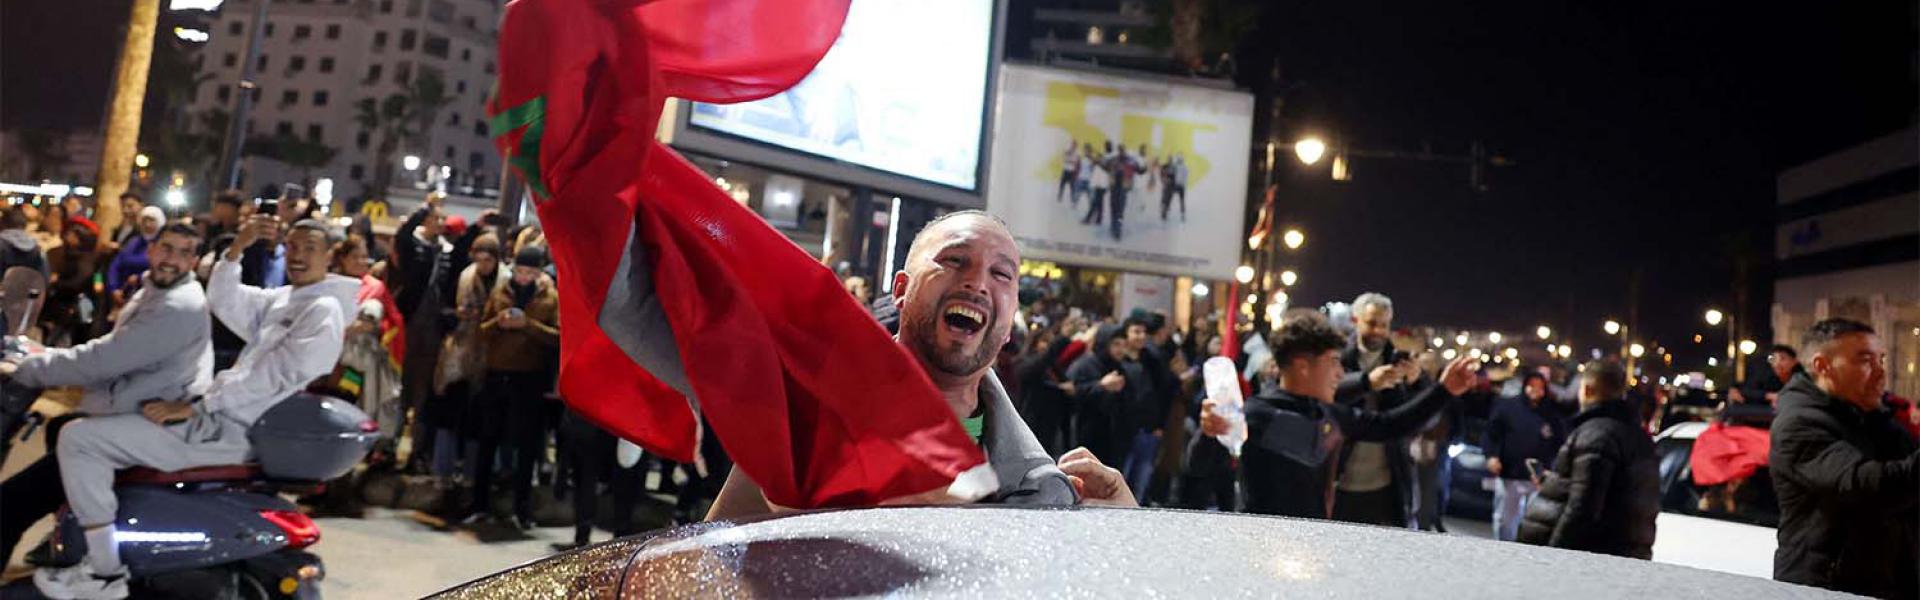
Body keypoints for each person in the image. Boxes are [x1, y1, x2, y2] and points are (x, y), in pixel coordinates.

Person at [705, 211, 1133, 518]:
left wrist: (1124, 529)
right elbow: (714, 565)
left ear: (1008, 325)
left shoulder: (1044, 494)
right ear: (900, 290)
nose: (977, 283)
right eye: (954, 260)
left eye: (1001, 274)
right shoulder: (810, 416)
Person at [29, 217, 356, 599]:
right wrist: (238, 248)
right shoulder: (289, 299)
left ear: (330, 256)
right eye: (293, 246)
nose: (298, 256)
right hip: (220, 417)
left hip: (230, 428)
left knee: (79, 439)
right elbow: (226, 300)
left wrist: (199, 406)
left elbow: (274, 375)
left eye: (310, 248)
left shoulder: (323, 309)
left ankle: (104, 571)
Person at [0, 223, 210, 572]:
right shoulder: (154, 290)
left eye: (183, 252)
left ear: (194, 261)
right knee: (61, 429)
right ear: (151, 249)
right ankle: (69, 545)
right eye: (166, 248)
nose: (171, 259)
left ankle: (99, 567)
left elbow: (104, 360)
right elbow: (111, 349)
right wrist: (39, 353)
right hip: (125, 410)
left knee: (10, 504)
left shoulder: (178, 306)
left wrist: (27, 368)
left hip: (134, 421)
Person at [1200, 310, 1478, 520]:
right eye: (1333, 362)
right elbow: (1198, 468)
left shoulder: (1329, 414)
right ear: (1302, 366)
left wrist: (1444, 390)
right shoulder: (1256, 414)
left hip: (1311, 550)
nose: (1340, 372)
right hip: (1257, 547)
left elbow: (1389, 425)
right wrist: (1209, 432)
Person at [1768, 319, 1916, 598]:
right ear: (1823, 366)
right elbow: (1870, 485)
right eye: (1865, 361)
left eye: (1882, 359)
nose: (1881, 372)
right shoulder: (1798, 425)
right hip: (1827, 588)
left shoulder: (1876, 420)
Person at [1515, 360, 1659, 559]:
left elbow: (1583, 507)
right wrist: (1553, 483)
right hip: (1621, 553)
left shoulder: (1597, 434)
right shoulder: (1639, 437)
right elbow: (1611, 490)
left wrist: (1553, 556)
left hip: (1591, 557)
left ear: (1588, 390)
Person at [464, 245, 561, 529]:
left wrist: (527, 325)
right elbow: (481, 331)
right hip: (497, 375)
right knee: (487, 441)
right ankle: (479, 505)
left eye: (529, 272)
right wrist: (499, 322)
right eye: (519, 271)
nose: (523, 277)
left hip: (529, 379)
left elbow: (557, 337)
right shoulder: (500, 291)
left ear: (539, 272)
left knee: (526, 447)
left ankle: (522, 510)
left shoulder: (550, 297)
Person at [1331, 292, 1422, 527]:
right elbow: (1326, 394)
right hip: (1338, 478)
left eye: (1384, 325)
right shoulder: (1336, 356)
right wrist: (1366, 382)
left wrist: (1416, 384)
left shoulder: (1400, 361)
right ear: (1356, 320)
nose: (1378, 331)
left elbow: (1423, 419)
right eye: (1372, 323)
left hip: (1386, 483)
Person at [434, 234, 505, 478]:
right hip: (460, 352)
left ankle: (474, 473)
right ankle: (444, 472)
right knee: (451, 414)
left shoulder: (505, 281)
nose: (483, 265)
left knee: (481, 419)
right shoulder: (464, 277)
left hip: (492, 354)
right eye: (479, 259)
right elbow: (444, 310)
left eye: (488, 260)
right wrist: (457, 314)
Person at [328, 236, 406, 440]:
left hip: (357, 362)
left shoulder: (375, 287)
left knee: (350, 405)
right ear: (343, 258)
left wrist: (339, 331)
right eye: (355, 257)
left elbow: (385, 322)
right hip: (326, 358)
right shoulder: (329, 282)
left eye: (365, 257)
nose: (361, 262)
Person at [394, 201, 452, 469]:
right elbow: (402, 236)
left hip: (433, 331)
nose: (439, 223)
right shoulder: (414, 246)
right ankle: (389, 447)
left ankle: (416, 454)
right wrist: (421, 210)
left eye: (442, 219)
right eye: (434, 218)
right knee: (399, 389)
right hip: (409, 324)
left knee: (423, 394)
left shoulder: (447, 251)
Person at [1484, 371, 1568, 541]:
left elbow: (1560, 443)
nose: (1535, 390)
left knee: (1532, 521)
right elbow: (1491, 434)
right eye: (1532, 386)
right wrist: (1492, 456)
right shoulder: (1508, 407)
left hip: (1537, 477)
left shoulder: (1551, 414)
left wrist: (1553, 469)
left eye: (1540, 387)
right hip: (1510, 472)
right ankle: (1503, 548)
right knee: (1505, 519)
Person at [1066, 322, 1142, 468]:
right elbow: (1071, 394)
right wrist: (1100, 386)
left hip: (1114, 443)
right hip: (1087, 439)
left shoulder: (1120, 368)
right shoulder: (1084, 365)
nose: (1120, 350)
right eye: (1116, 344)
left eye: (1124, 345)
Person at [103, 206, 165, 300]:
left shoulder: (163, 246)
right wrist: (114, 288)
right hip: (122, 293)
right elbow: (116, 264)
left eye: (152, 220)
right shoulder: (133, 242)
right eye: (144, 220)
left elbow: (162, 270)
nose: (147, 224)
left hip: (148, 295)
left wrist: (140, 277)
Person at [1739, 344, 1805, 405]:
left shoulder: (1801, 379)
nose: (1778, 363)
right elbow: (1747, 392)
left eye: (1783, 358)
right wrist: (1769, 396)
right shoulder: (1765, 376)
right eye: (1774, 359)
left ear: (1794, 361)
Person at [0, 206, 49, 276]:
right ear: (25, 225)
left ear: (2, 224)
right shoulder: (37, 249)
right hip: (30, 282)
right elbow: (45, 277)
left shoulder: (2, 244)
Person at [1082, 142, 1113, 226]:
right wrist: (1093, 157)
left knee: (1095, 201)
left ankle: (1088, 219)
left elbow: (1107, 168)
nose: (1106, 147)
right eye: (1106, 146)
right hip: (1099, 182)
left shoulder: (1112, 157)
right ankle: (1099, 219)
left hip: (1104, 183)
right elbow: (1094, 162)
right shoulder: (1104, 155)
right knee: (1099, 201)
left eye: (1108, 146)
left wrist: (1099, 160)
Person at [1159, 154, 1187, 222]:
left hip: (1176, 185)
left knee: (1170, 197)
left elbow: (1174, 175)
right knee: (1174, 198)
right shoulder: (1179, 167)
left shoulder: (1176, 166)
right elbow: (1183, 177)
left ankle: (1167, 211)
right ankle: (1180, 213)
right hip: (1177, 185)